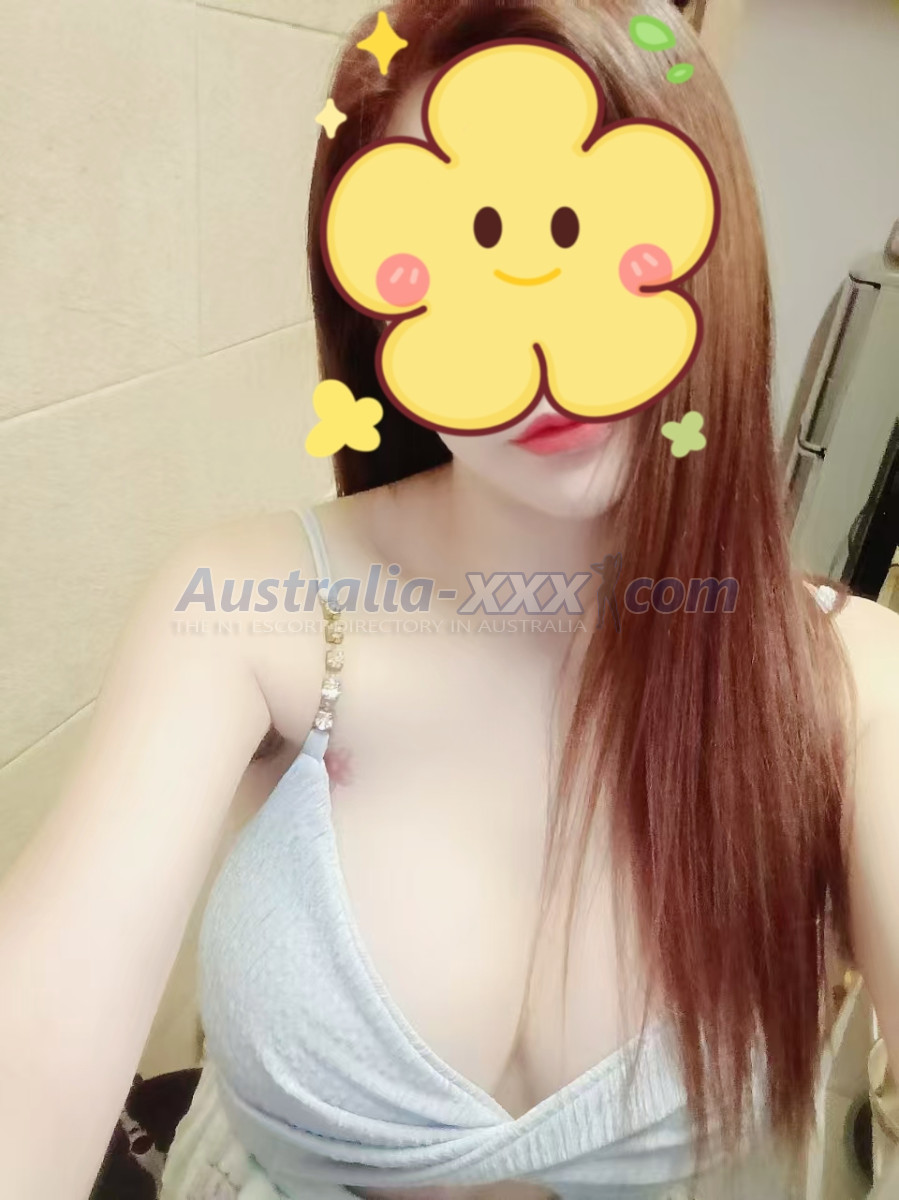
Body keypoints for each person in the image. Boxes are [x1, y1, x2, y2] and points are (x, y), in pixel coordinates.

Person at [1, 2, 897, 1198]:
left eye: (585, 230)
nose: (539, 334)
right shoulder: (246, 609)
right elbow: (37, 1029)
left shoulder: (852, 687)